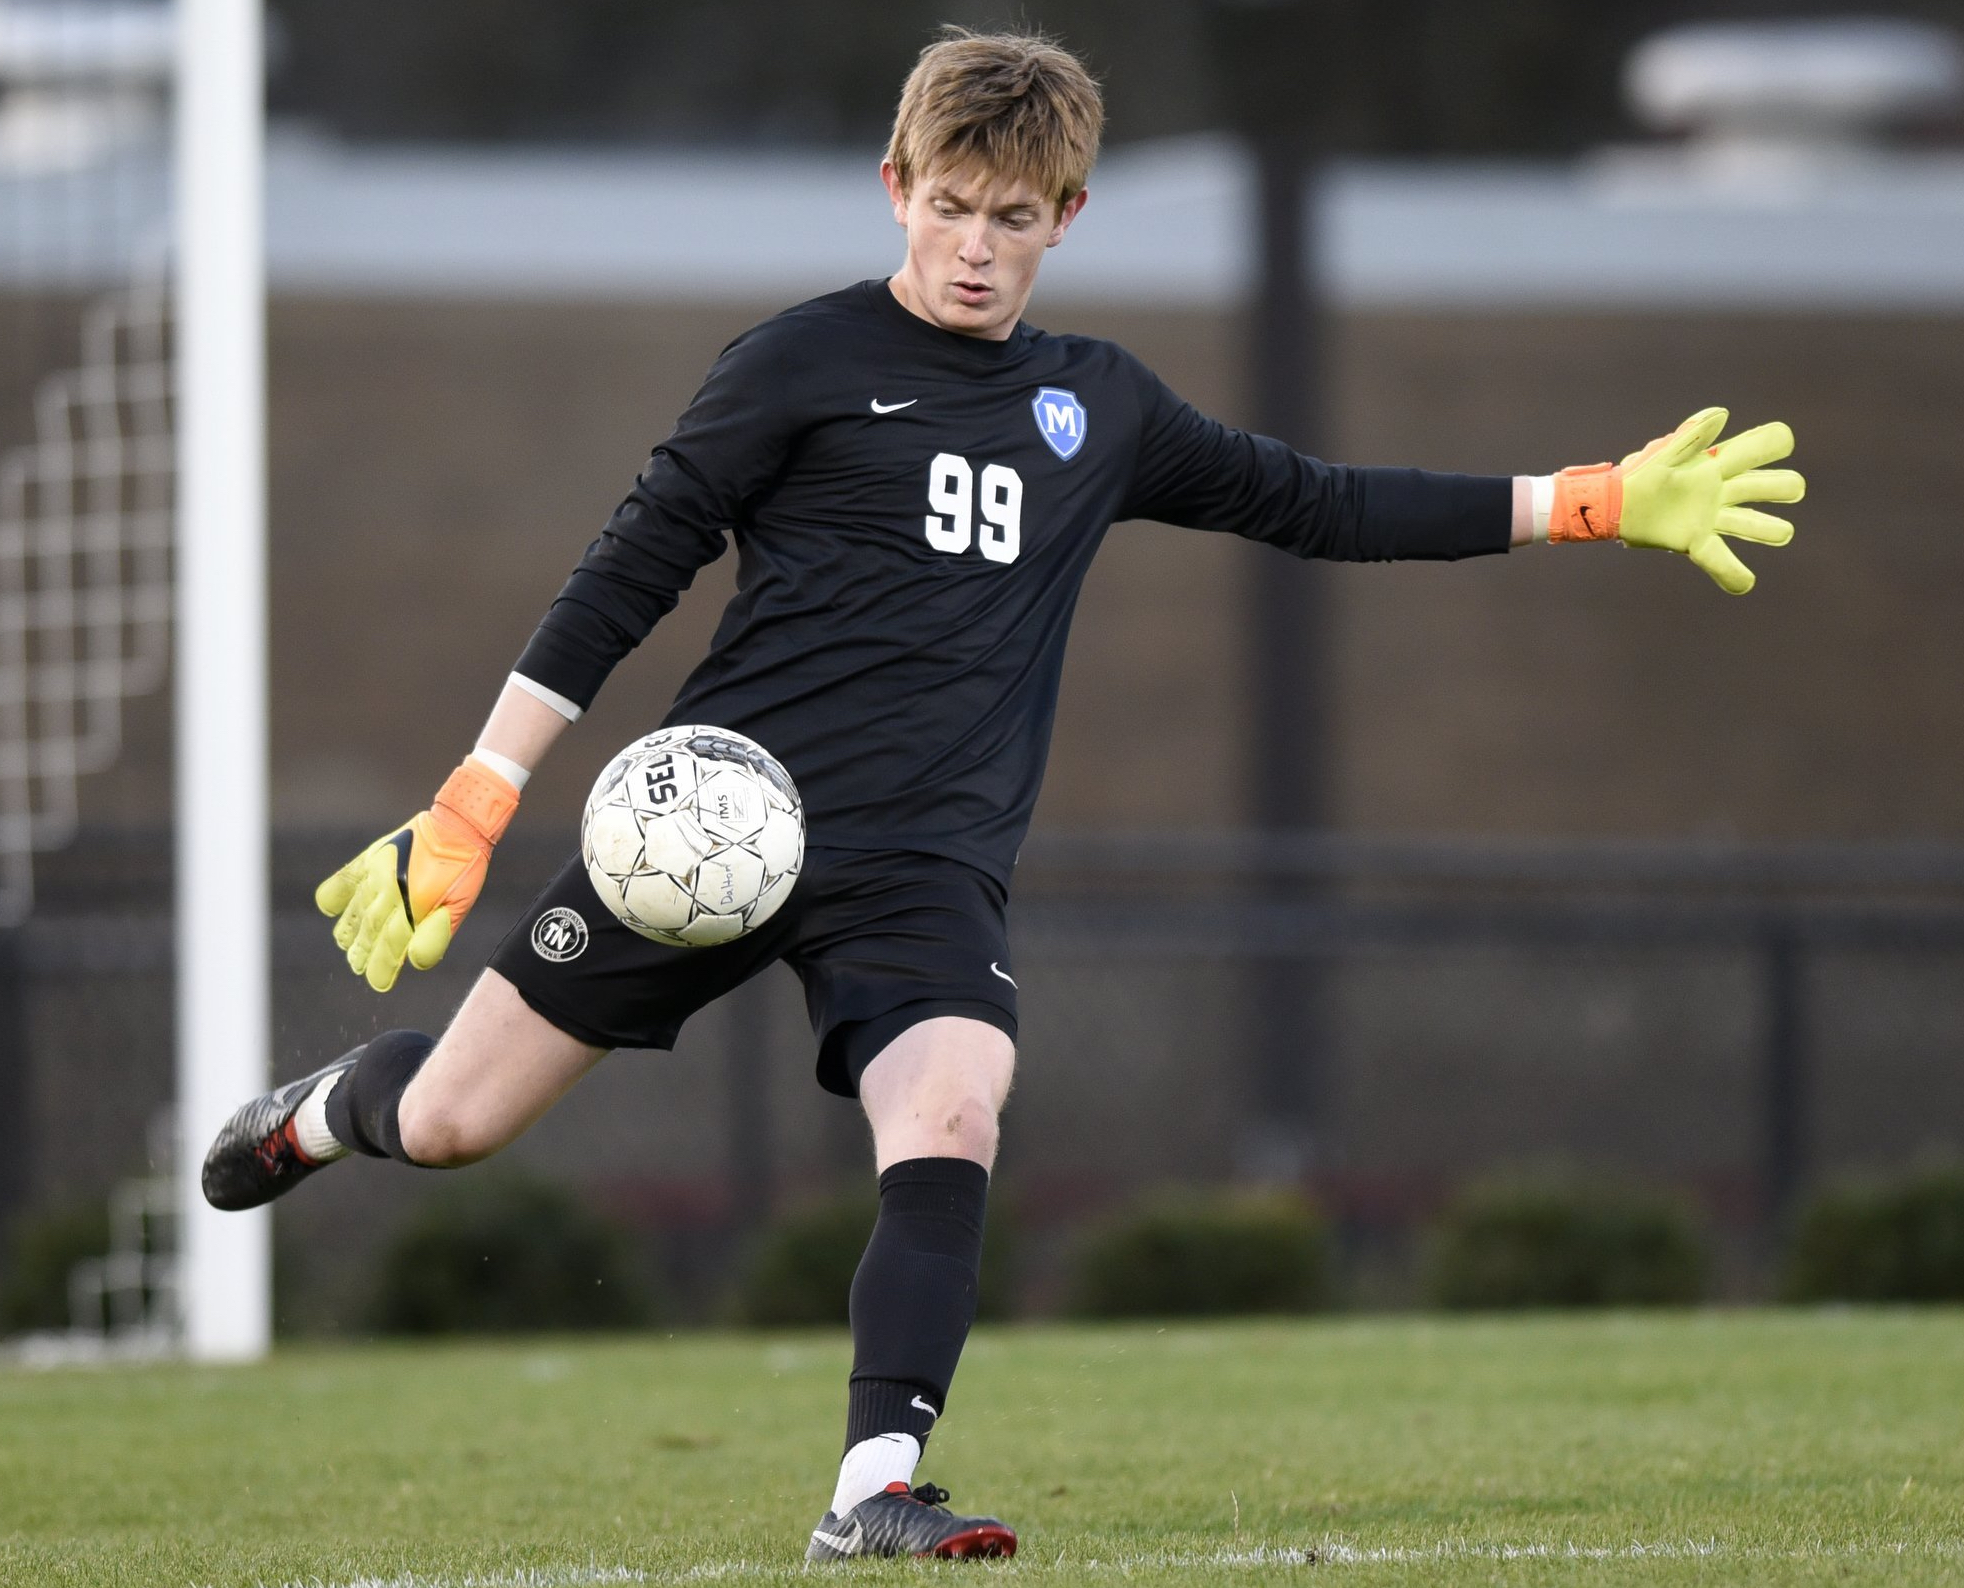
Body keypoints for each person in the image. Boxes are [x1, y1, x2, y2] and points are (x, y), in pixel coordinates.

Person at [200, 26, 1804, 1563]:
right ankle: (329, 1111)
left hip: (923, 865)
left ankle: (876, 1488)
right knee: (453, 1121)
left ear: (1069, 218)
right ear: (895, 184)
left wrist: (1587, 501)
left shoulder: (1098, 407)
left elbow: (1316, 502)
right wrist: (479, 795)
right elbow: (627, 571)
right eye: (951, 207)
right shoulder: (801, 361)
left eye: (1014, 219)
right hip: (713, 828)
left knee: (954, 1107)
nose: (976, 245)